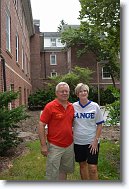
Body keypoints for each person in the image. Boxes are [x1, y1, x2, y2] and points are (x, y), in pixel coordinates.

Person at [38, 82, 74, 180]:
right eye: (62, 91)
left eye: (66, 91)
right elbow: (41, 124)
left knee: (64, 171)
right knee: (52, 174)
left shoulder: (71, 107)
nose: (65, 93)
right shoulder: (50, 106)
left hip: (69, 145)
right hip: (55, 146)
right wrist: (43, 145)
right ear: (56, 93)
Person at [73, 83, 104, 180]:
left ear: (88, 92)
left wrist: (96, 140)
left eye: (85, 90)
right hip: (78, 141)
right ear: (77, 94)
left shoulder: (95, 106)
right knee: (82, 165)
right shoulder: (72, 106)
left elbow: (99, 124)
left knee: (93, 167)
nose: (83, 92)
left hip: (92, 142)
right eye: (81, 91)